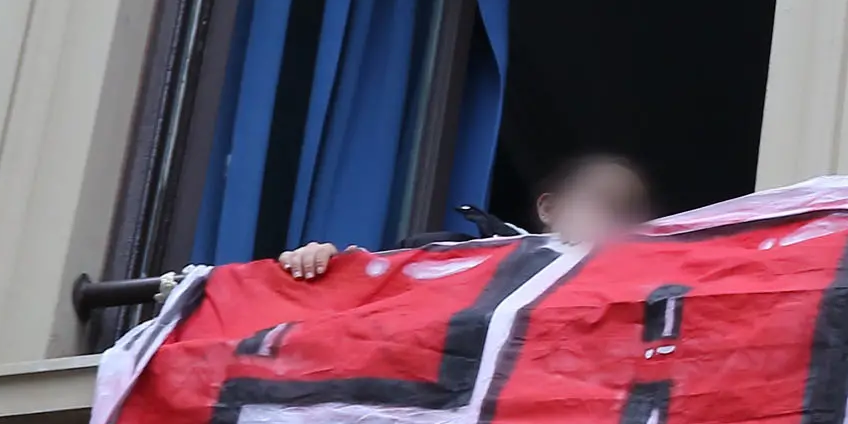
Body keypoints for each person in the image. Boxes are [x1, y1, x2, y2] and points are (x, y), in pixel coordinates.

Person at [275, 153, 659, 280]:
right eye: (603, 202)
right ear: (550, 209)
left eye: (627, 215)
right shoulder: (446, 258)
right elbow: (368, 311)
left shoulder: (635, 313)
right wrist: (326, 268)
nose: (613, 223)